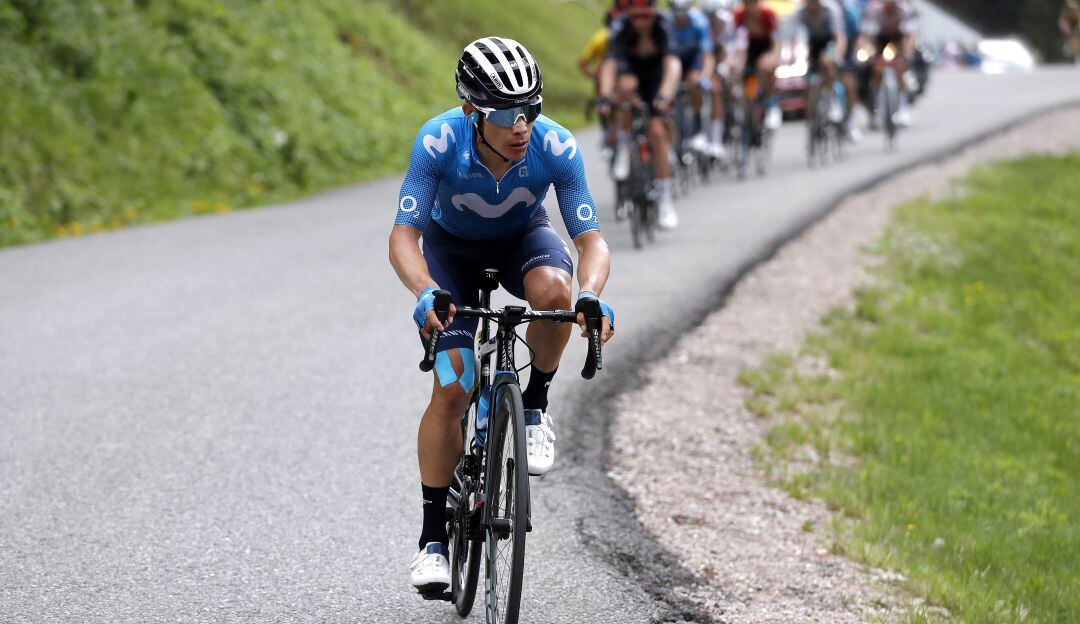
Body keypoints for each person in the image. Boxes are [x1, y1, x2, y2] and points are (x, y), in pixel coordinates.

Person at [390, 36, 616, 593]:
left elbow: (592, 241)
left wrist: (590, 294)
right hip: (452, 254)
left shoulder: (556, 147)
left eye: (532, 110)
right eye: (508, 114)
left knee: (557, 292)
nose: (522, 127)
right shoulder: (439, 140)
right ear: (472, 112)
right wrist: (424, 290)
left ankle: (534, 405)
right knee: (454, 386)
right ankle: (433, 540)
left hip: (522, 240)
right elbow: (404, 236)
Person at [599, 0, 683, 229]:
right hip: (632, 72)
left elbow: (673, 64)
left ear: (654, 12)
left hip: (656, 76)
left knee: (657, 131)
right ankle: (625, 146)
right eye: (636, 17)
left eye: (646, 16)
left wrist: (665, 95)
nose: (641, 22)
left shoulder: (663, 25)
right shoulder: (621, 25)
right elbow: (610, 64)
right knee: (625, 89)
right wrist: (605, 94)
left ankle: (666, 200)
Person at [667, 0, 716, 155]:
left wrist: (705, 76)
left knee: (694, 82)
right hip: (675, 60)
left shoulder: (699, 22)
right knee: (668, 93)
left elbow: (707, 55)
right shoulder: (667, 23)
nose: (680, 16)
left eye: (683, 11)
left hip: (694, 59)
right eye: (676, 11)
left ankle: (698, 128)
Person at [861, 0, 915, 127]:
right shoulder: (875, 11)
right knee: (877, 70)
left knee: (899, 68)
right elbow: (866, 36)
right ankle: (880, 107)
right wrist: (867, 52)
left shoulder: (903, 11)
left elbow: (910, 36)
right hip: (880, 41)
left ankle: (902, 108)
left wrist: (907, 53)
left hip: (898, 41)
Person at [794, 0, 848, 126]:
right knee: (806, 80)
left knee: (827, 64)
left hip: (829, 43)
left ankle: (833, 100)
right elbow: (797, 37)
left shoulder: (830, 10)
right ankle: (811, 114)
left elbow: (839, 37)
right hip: (812, 45)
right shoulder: (801, 13)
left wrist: (836, 55)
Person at [734, 0, 783, 130]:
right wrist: (737, 62)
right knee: (743, 73)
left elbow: (776, 42)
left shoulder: (768, 14)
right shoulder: (740, 15)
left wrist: (773, 58)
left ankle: (772, 105)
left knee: (765, 66)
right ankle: (747, 107)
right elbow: (738, 41)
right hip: (751, 47)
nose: (751, 7)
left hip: (767, 45)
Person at [701, 0, 737, 158]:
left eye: (713, 15)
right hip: (705, 57)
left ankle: (717, 140)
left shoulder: (726, 21)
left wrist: (724, 67)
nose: (711, 19)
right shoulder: (700, 22)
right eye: (708, 16)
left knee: (717, 89)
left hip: (722, 54)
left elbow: (731, 49)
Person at [1061, 0, 1080, 64]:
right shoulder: (1066, 13)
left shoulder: (1076, 12)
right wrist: (1066, 29)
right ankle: (1070, 51)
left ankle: (1076, 55)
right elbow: (1063, 22)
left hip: (1075, 29)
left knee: (1076, 43)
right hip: (1070, 30)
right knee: (1072, 42)